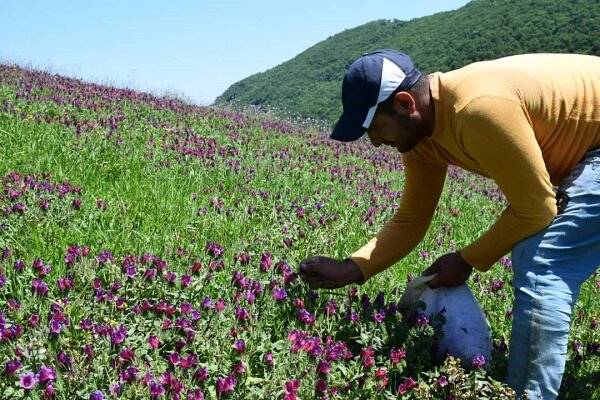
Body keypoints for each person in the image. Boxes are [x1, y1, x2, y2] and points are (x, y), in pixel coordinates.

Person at [297, 49, 600, 399]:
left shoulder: (476, 109)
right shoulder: (422, 139)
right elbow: (412, 218)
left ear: (405, 103)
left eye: (375, 128)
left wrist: (467, 260)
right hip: (586, 151)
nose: (376, 142)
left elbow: (535, 210)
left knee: (541, 261)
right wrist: (353, 268)